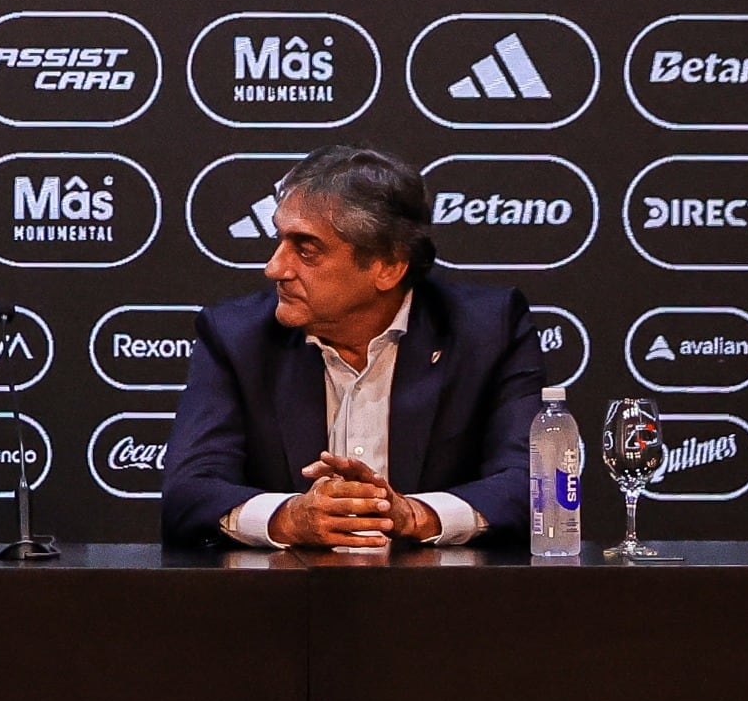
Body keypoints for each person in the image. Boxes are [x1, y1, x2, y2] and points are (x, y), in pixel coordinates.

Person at [162, 145, 541, 549]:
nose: (275, 268)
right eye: (279, 240)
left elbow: (533, 484)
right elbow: (188, 490)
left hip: (442, 601)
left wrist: (414, 514)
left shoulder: (487, 330)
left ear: (388, 266)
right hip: (287, 601)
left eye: (305, 249)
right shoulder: (237, 337)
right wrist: (287, 518)